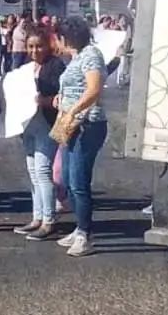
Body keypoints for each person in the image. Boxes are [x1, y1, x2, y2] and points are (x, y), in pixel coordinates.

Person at [55, 15, 110, 258]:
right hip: (69, 122)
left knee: (78, 181)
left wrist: (74, 109)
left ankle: (85, 233)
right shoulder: (77, 56)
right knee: (67, 177)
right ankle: (79, 227)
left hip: (87, 123)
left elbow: (94, 89)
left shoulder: (91, 55)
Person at [12, 28, 66, 241]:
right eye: (31, 46)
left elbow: (61, 95)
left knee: (44, 172)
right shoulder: (25, 68)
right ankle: (37, 217)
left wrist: (44, 99)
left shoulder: (56, 65)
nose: (35, 50)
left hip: (47, 124)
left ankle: (49, 220)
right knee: (33, 172)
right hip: (28, 125)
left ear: (48, 45)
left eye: (39, 45)